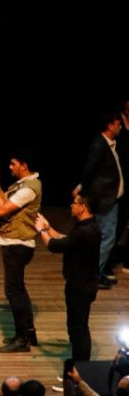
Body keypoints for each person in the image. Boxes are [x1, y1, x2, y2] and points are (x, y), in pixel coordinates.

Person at [36, 194, 101, 360]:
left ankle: (79, 370)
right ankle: (78, 366)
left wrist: (42, 230)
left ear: (83, 207)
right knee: (77, 327)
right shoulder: (90, 226)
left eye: (74, 203)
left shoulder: (84, 231)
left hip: (80, 286)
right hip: (84, 284)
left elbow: (55, 246)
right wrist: (49, 228)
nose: (71, 205)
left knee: (78, 329)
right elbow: (67, 240)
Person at [0, 154, 42, 353]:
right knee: (18, 289)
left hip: (17, 244)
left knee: (13, 291)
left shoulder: (29, 188)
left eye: (14, 163)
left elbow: (1, 210)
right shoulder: (22, 184)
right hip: (14, 242)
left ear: (24, 165)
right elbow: (4, 202)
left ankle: (22, 339)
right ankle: (29, 331)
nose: (10, 167)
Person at [76, 110, 123, 288]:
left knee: (104, 237)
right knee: (107, 238)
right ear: (110, 125)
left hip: (109, 198)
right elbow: (89, 171)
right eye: (118, 124)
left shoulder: (110, 144)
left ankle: (98, 272)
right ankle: (91, 275)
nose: (120, 127)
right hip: (105, 200)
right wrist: (82, 191)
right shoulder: (99, 145)